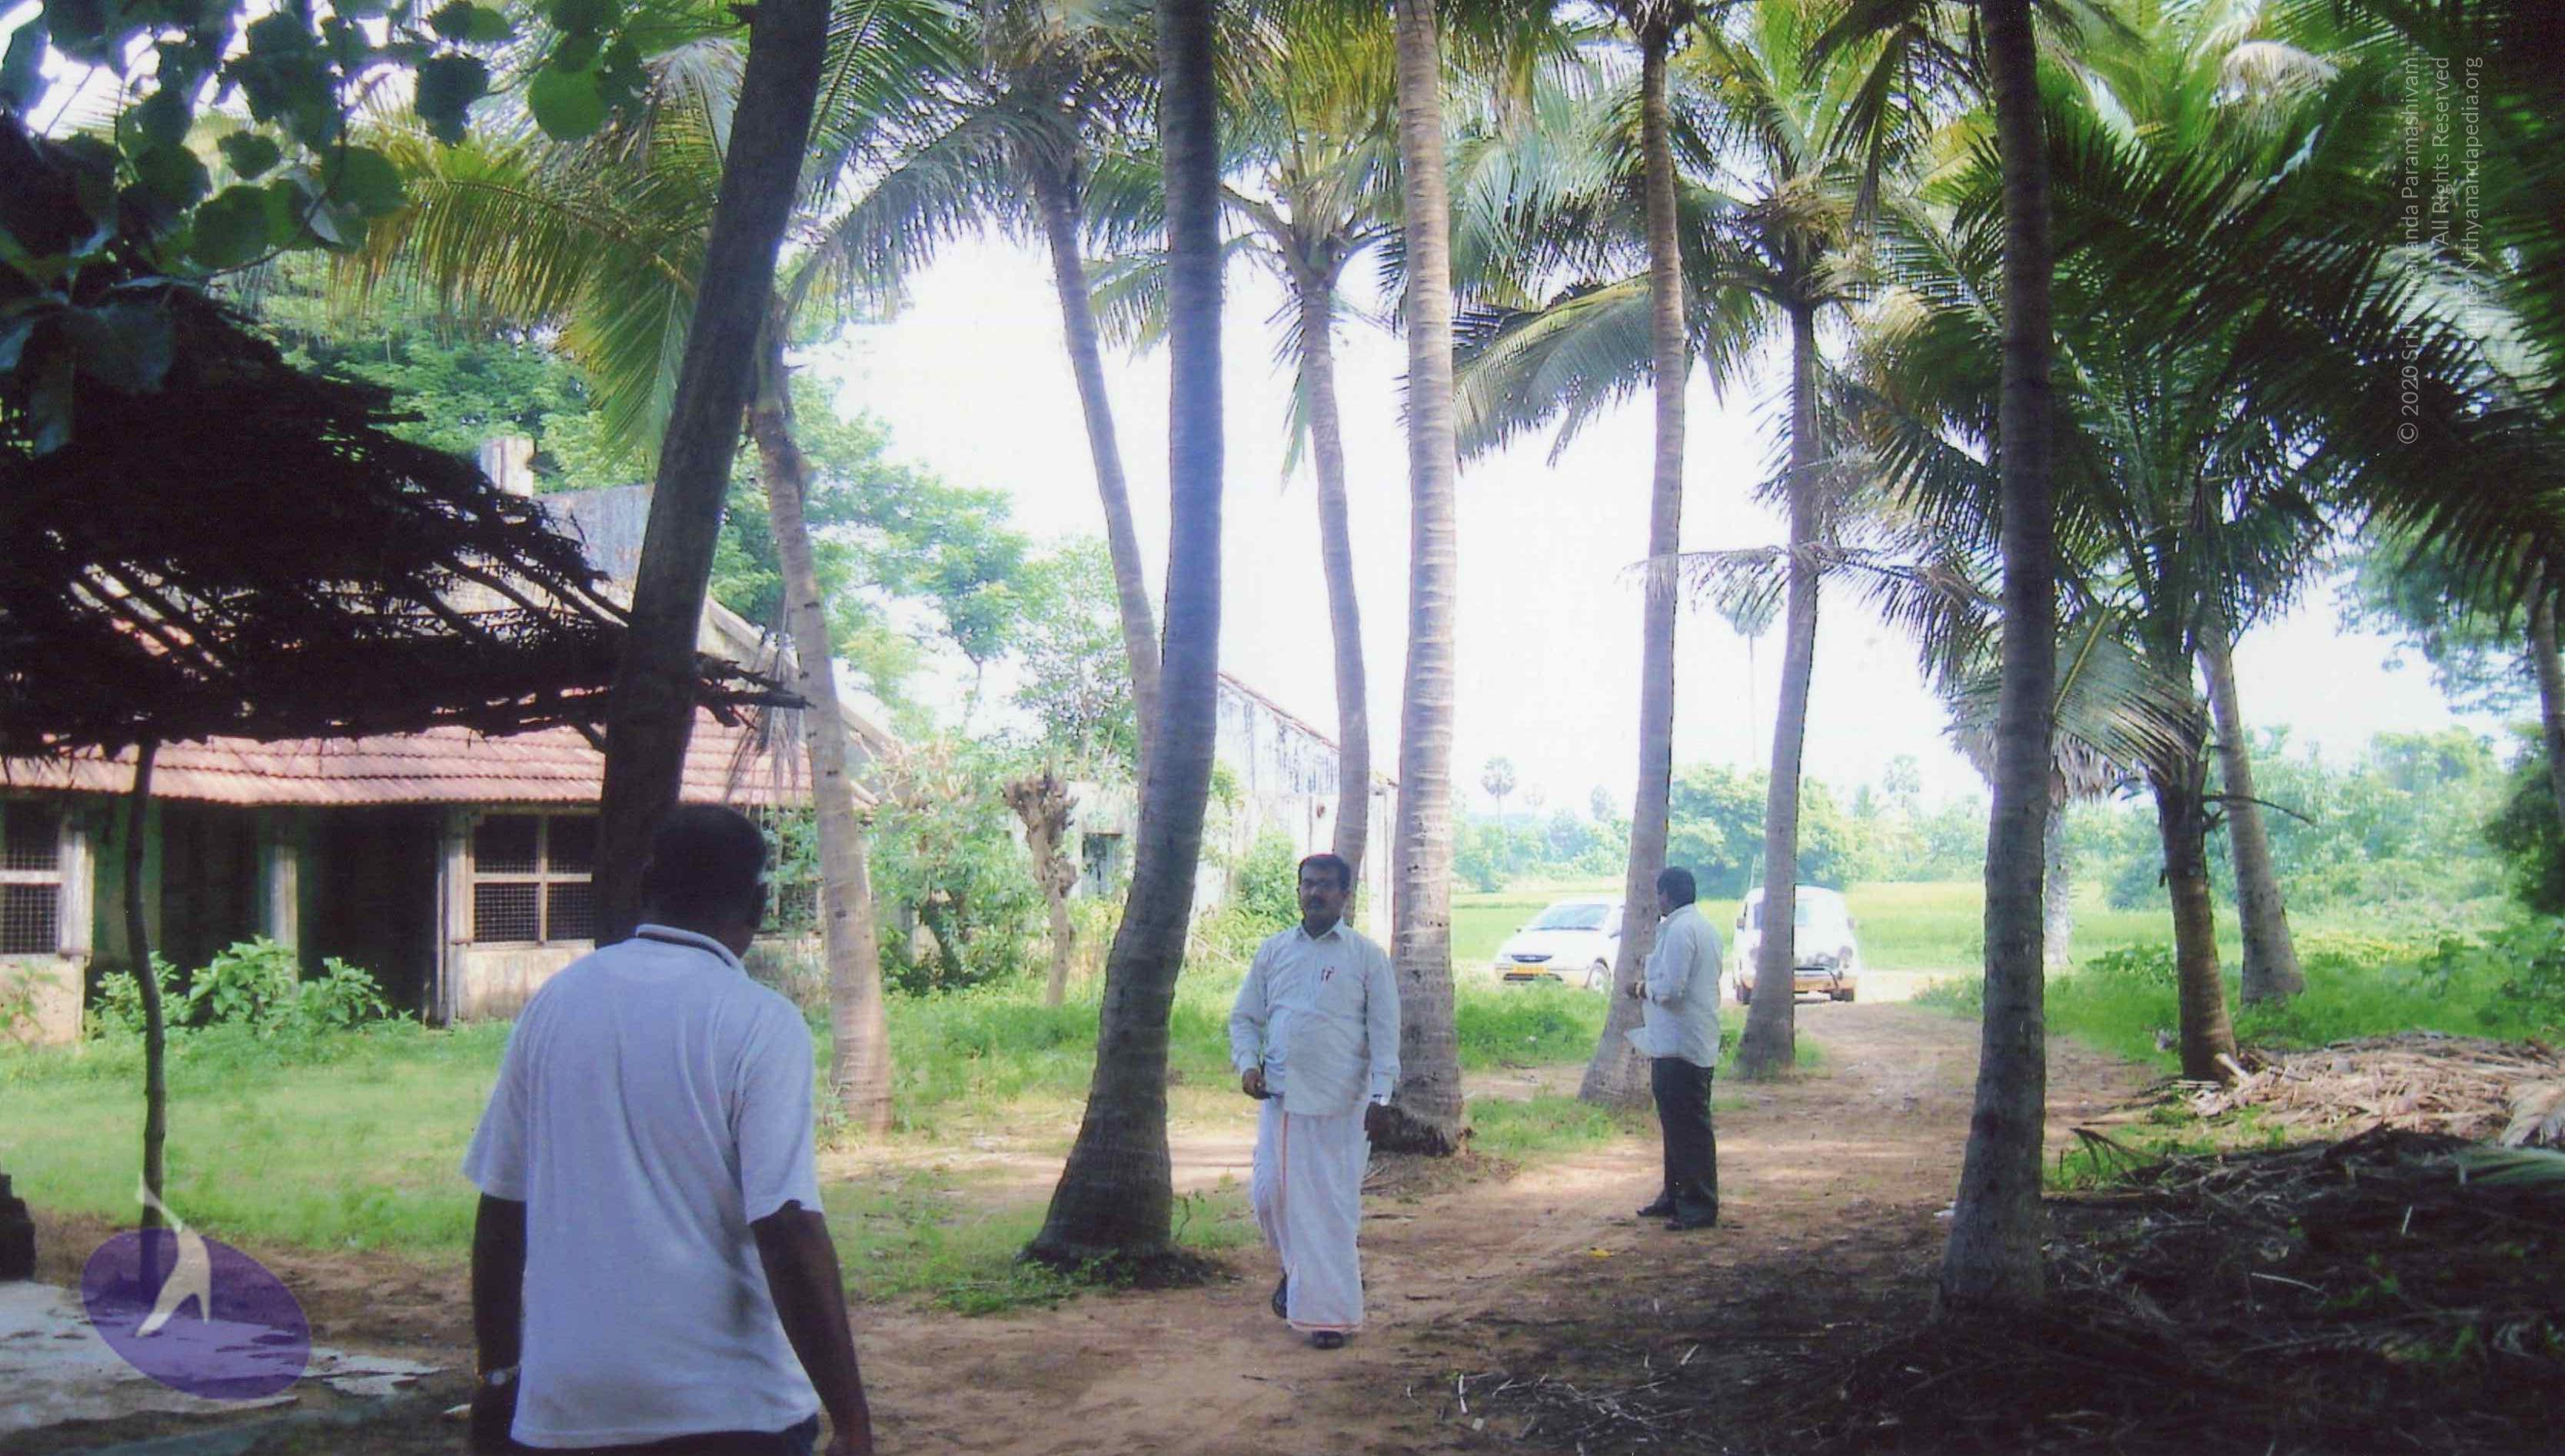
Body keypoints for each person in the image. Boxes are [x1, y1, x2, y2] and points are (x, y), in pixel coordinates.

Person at [461, 805, 873, 1455]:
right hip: (729, 1410)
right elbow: (788, 1223)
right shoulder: (761, 1022)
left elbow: (503, 1208)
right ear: (757, 906)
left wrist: (498, 1375)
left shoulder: (554, 1005)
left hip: (566, 1410)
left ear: (645, 884)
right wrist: (851, 1419)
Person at [1229, 853, 1399, 1351]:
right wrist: (1248, 1064)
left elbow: (1384, 1031)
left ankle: (1331, 1319)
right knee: (1271, 1196)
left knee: (1330, 1210)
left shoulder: (1365, 957)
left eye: (1326, 885)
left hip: (1343, 1106)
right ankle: (1297, 1270)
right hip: (1282, 1100)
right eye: (1307, 884)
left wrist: (1381, 1097)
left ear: (1345, 894)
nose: (1315, 893)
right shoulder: (1274, 951)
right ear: (1298, 890)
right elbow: (1245, 1018)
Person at [1625, 865, 1722, 1232]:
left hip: (1681, 1044)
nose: (1658, 901)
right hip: (1683, 1040)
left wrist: (1641, 989)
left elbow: (1671, 989)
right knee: (1677, 1125)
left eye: (1659, 894)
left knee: (1689, 1128)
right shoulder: (1702, 927)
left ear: (1666, 894)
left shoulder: (1681, 931)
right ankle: (1676, 1194)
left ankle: (1698, 1206)